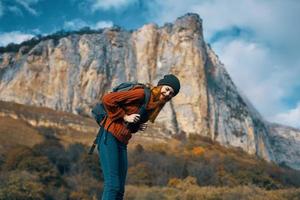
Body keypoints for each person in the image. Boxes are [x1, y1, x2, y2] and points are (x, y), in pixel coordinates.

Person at [97, 74, 181, 200]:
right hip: (109, 136)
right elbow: (108, 99)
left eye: (172, 93)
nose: (168, 93)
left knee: (120, 189)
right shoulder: (141, 94)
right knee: (113, 185)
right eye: (167, 89)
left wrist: (137, 126)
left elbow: (129, 125)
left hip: (122, 142)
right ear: (160, 86)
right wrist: (125, 117)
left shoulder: (154, 105)